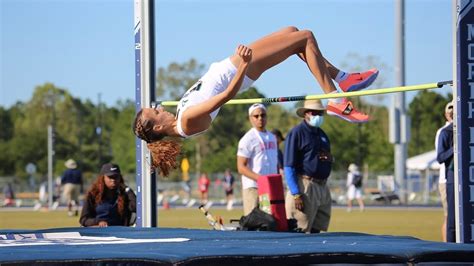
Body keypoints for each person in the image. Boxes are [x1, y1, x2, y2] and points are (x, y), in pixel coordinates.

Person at [133, 26, 379, 176]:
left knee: (291, 32)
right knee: (305, 37)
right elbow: (226, 96)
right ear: (157, 127)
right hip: (243, 68)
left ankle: (343, 79)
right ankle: (335, 98)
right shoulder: (186, 121)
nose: (156, 108)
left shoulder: (180, 115)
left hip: (235, 63)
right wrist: (245, 64)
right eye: (153, 112)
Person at [284, 99, 333, 233]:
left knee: (319, 229)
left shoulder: (322, 134)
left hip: (322, 186)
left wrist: (328, 158)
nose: (317, 116)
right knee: (300, 229)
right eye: (314, 112)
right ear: (306, 113)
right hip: (305, 186)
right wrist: (295, 193)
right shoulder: (297, 133)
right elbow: (289, 166)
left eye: (319, 113)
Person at [237, 103, 279, 215]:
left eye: (263, 115)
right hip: (253, 187)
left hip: (270, 187)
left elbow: (275, 163)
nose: (260, 118)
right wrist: (260, 179)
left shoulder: (272, 137)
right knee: (253, 223)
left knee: (270, 222)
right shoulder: (247, 139)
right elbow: (241, 167)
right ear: (250, 118)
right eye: (256, 116)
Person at [79, 163, 137, 227]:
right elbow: (83, 220)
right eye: (110, 177)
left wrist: (128, 190)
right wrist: (98, 222)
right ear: (102, 178)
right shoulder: (93, 194)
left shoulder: (125, 194)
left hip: (120, 233)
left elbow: (136, 208)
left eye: (116, 177)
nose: (113, 180)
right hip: (99, 232)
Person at [435, 101, 454, 242]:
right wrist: (455, 148)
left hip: (456, 178)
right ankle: (447, 246)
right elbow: (440, 157)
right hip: (446, 180)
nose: (452, 115)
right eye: (450, 112)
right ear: (446, 115)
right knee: (449, 216)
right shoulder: (444, 132)